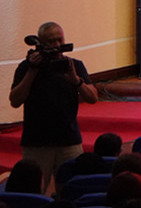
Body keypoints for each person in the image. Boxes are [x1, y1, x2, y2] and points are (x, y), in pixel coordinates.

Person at [9, 22, 98, 195]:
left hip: (69, 139)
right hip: (37, 142)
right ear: (40, 44)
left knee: (73, 190)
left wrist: (75, 80)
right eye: (51, 41)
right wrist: (32, 71)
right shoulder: (26, 67)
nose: (57, 45)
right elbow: (15, 100)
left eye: (60, 40)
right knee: (34, 192)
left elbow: (93, 97)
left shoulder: (74, 65)